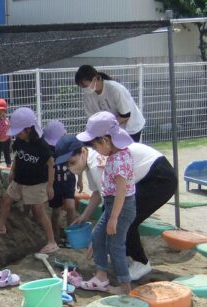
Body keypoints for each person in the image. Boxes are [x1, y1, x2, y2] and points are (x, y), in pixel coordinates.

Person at [58, 133, 177, 281]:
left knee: (126, 219)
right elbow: (97, 193)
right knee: (119, 219)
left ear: (82, 152)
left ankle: (141, 262)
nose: (70, 168)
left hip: (159, 178)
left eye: (72, 162)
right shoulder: (91, 159)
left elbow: (111, 202)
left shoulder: (96, 163)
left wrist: (98, 238)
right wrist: (85, 216)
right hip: (149, 175)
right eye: (67, 165)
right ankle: (127, 256)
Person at [75, 111, 136, 294]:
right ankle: (101, 276)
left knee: (115, 245)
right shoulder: (116, 155)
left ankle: (125, 286)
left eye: (95, 144)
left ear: (105, 140)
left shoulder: (119, 160)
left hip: (121, 207)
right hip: (113, 205)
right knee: (97, 236)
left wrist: (114, 218)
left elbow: (121, 192)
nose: (95, 149)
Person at [0, 107, 58, 257]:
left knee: (39, 211)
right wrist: (12, 171)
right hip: (19, 180)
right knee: (6, 200)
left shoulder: (42, 146)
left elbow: (51, 165)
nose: (17, 134)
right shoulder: (19, 141)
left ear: (29, 129)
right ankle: (1, 225)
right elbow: (18, 157)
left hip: (36, 183)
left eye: (19, 131)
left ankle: (52, 242)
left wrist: (50, 186)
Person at [75, 65, 145, 141]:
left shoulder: (115, 89)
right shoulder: (88, 95)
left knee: (125, 151)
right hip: (111, 129)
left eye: (85, 85)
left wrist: (105, 127)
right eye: (81, 86)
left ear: (95, 79)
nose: (84, 89)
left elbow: (126, 116)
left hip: (131, 127)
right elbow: (92, 118)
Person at [42, 120, 77, 243]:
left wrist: (80, 178)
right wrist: (48, 185)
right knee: (56, 211)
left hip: (68, 181)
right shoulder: (47, 150)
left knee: (71, 208)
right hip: (54, 183)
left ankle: (72, 234)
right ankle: (55, 235)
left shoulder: (69, 147)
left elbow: (78, 162)